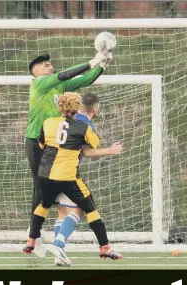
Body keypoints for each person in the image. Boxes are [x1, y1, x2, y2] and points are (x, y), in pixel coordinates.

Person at [24, 52, 111, 257]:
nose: (50, 66)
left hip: (56, 145)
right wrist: (91, 61)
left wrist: (101, 66)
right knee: (41, 188)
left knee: (54, 191)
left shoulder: (57, 88)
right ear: (36, 71)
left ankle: (54, 240)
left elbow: (84, 80)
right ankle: (34, 237)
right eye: (46, 64)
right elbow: (64, 75)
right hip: (38, 142)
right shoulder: (40, 84)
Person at [23, 92, 123, 265]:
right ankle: (102, 247)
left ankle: (32, 239)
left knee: (45, 205)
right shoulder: (83, 126)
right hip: (67, 176)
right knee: (89, 209)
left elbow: (41, 145)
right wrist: (109, 150)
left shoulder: (47, 123)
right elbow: (93, 144)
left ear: (59, 106)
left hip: (45, 174)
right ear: (78, 108)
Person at [52, 93, 101, 266]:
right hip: (67, 172)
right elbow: (87, 152)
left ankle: (59, 255)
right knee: (77, 211)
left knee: (62, 212)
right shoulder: (84, 123)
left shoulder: (59, 117)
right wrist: (109, 150)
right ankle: (59, 244)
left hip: (48, 170)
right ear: (96, 108)